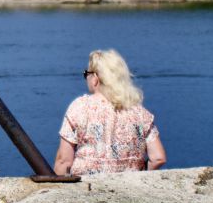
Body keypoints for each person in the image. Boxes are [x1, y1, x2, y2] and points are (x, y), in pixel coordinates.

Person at [54, 48, 166, 176]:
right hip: (130, 186)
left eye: (87, 73)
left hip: (86, 187)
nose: (86, 78)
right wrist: (140, 175)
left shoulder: (80, 108)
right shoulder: (140, 112)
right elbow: (158, 158)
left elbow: (64, 161)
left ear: (96, 78)